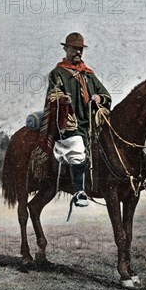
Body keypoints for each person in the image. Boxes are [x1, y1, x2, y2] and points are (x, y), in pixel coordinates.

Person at [46, 32, 111, 208]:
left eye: (80, 49)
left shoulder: (88, 74)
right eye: (74, 49)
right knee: (77, 148)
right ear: (66, 49)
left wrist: (99, 97)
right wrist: (62, 99)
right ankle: (79, 191)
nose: (78, 53)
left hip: (90, 123)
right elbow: (51, 96)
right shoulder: (57, 73)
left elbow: (106, 94)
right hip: (70, 123)